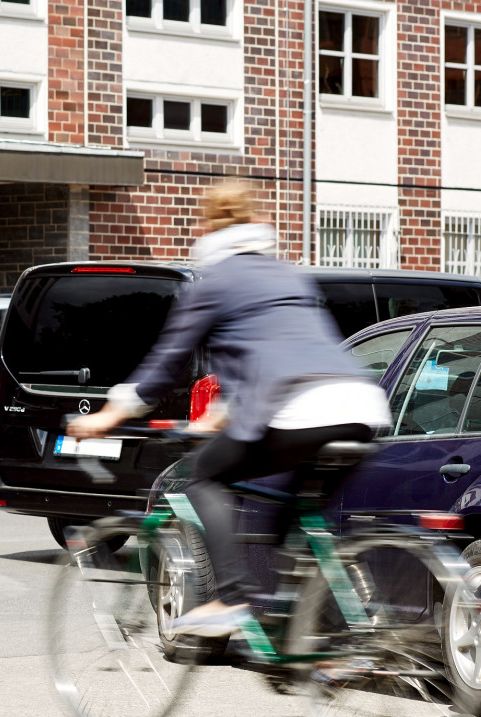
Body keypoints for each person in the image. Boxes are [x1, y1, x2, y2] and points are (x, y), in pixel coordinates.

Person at [68, 177, 390, 637]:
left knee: (204, 477)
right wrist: (224, 409)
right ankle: (329, 641)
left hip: (298, 408)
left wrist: (110, 414)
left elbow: (165, 364)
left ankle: (233, 598)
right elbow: (275, 346)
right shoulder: (285, 273)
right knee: (296, 517)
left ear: (208, 226)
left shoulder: (214, 282)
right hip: (361, 404)